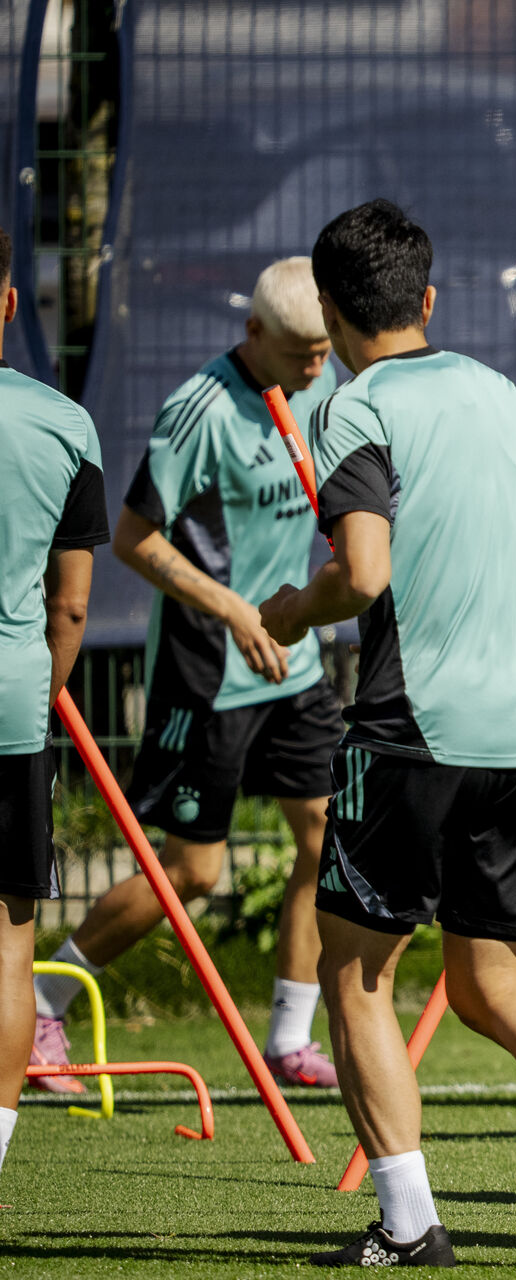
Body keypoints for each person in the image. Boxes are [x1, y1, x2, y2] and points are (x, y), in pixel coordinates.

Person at [259, 199, 516, 1267]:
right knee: (492, 982)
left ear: (335, 312)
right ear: (429, 300)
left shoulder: (353, 406)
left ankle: (407, 1223)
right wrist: (475, 601)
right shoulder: (499, 392)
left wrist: (298, 610)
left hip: (410, 731)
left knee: (358, 977)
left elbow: (365, 571)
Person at [29, 259, 347, 1093]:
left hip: (296, 663)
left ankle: (288, 1035)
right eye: (303, 352)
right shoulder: (197, 412)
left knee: (325, 834)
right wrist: (234, 610)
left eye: (326, 349)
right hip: (209, 670)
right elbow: (134, 538)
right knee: (192, 874)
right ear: (254, 334)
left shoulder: (324, 384)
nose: (319, 366)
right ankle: (41, 1000)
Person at [0, 228, 110, 1178]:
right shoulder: (63, 424)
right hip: (10, 708)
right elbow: (69, 602)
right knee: (8, 944)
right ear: (6, 304)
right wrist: (37, 693)